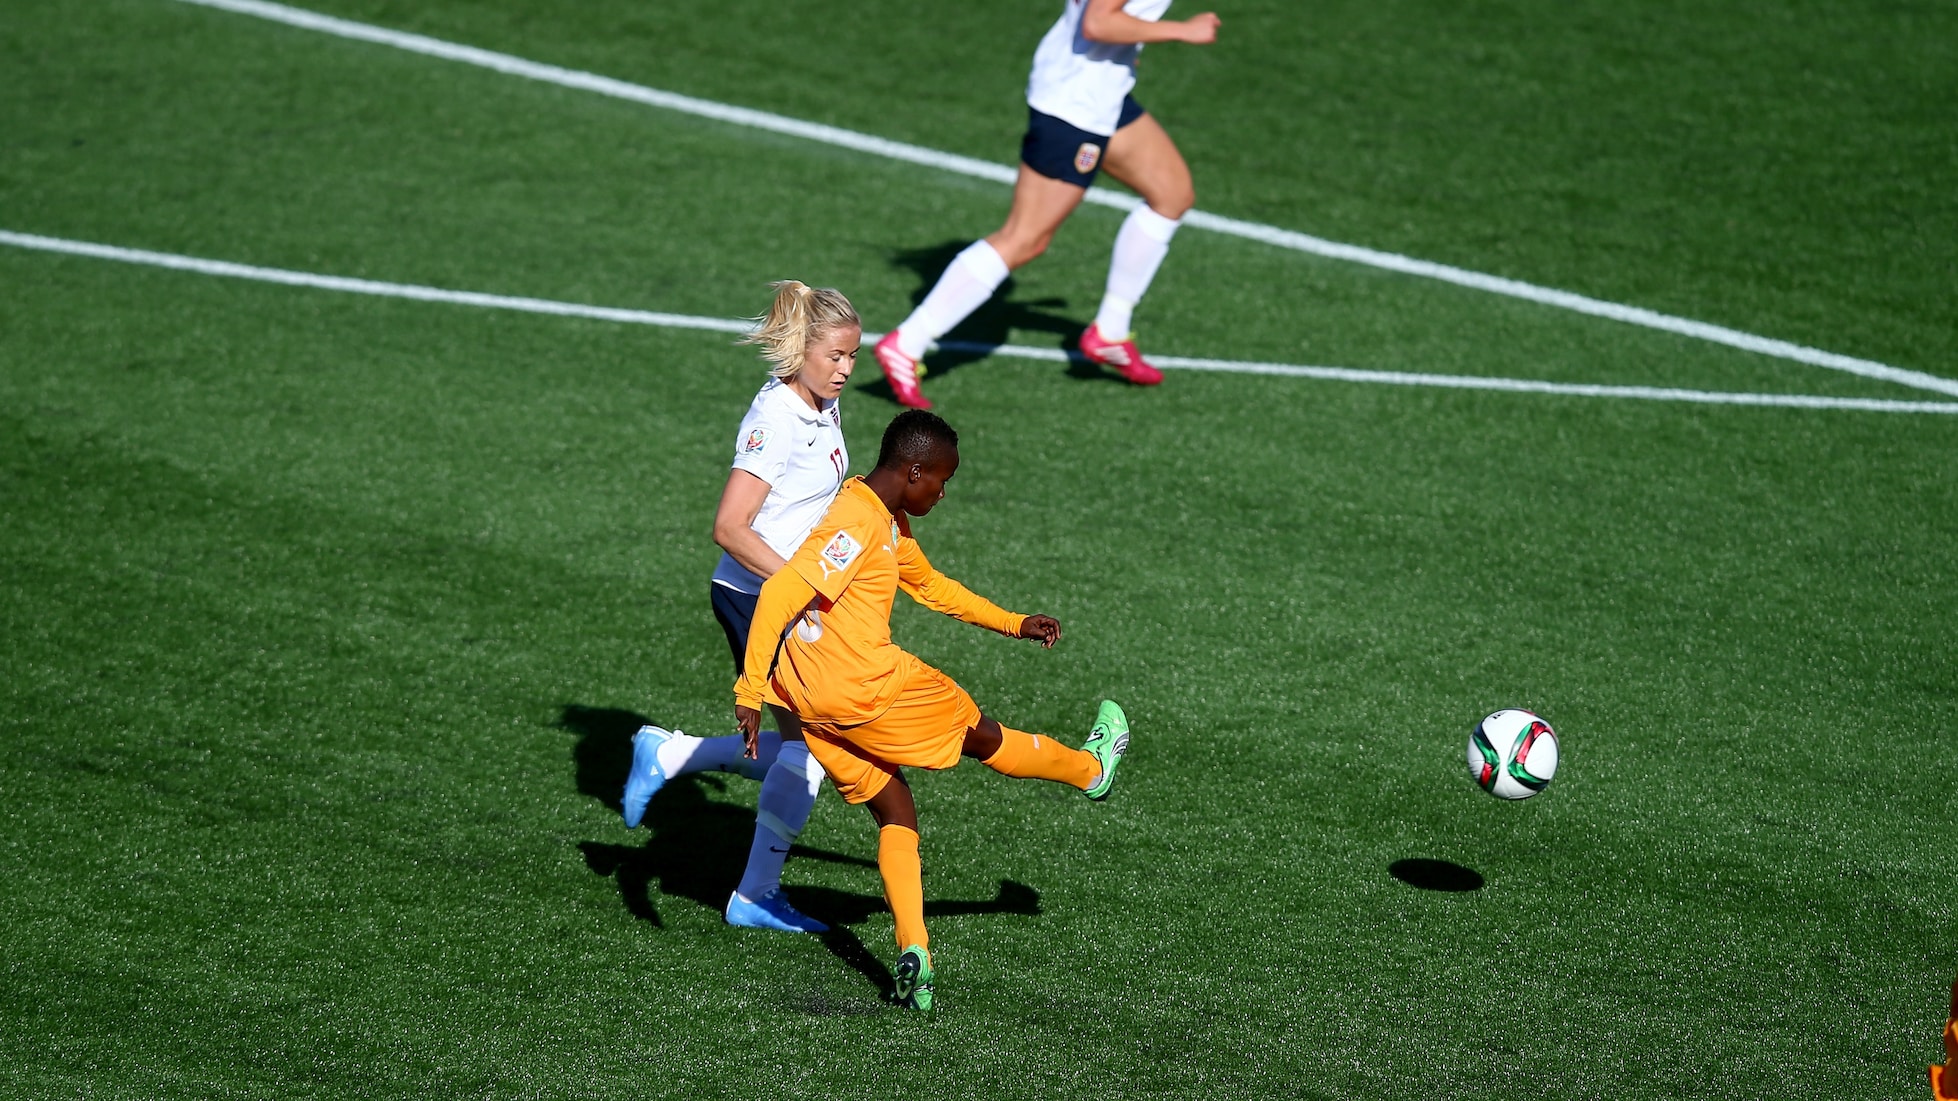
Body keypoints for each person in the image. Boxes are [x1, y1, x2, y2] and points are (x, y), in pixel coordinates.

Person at [733, 409, 1132, 1011]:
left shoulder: (882, 516)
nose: (942, 494)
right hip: (870, 687)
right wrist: (747, 689)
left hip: (812, 702)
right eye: (940, 480)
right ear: (913, 469)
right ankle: (1089, 770)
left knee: (896, 810)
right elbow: (783, 590)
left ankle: (914, 949)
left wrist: (1014, 622)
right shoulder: (857, 521)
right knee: (982, 735)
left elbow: (931, 586)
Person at [620, 280, 859, 935]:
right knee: (813, 749)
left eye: (851, 358)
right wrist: (800, 586)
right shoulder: (775, 419)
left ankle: (672, 754)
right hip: (756, 598)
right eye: (834, 356)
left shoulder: (820, 404)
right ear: (802, 351)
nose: (844, 369)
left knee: (809, 744)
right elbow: (730, 526)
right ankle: (753, 893)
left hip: (782, 598)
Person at [875, 0, 1221, 408]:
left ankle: (1110, 332)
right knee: (1025, 237)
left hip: (1103, 91)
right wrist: (1182, 30)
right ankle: (908, 342)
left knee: (1173, 194)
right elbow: (1098, 21)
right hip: (1074, 107)